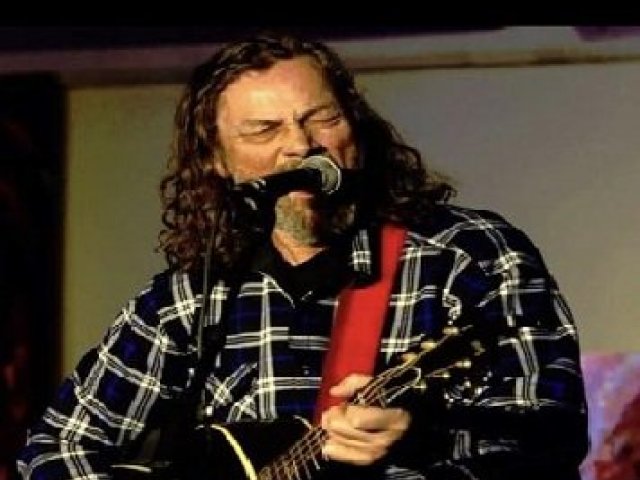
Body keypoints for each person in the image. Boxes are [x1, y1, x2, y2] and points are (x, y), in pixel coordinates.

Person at [17, 32, 589, 480]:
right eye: (264, 130)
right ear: (217, 160)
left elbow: (552, 435)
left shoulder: (469, 254)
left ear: (355, 127)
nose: (300, 145)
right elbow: (56, 448)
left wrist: (419, 434)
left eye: (323, 118)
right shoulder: (187, 300)